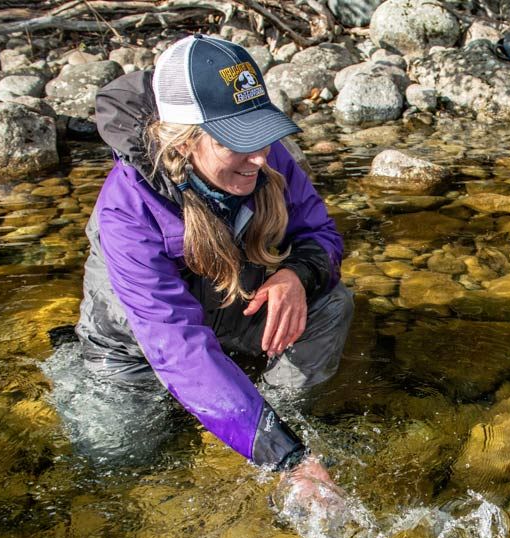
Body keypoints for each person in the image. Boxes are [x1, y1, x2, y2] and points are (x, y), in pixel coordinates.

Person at [70, 33, 351, 503]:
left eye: (263, 133)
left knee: (332, 304)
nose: (262, 157)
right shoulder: (127, 211)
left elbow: (322, 234)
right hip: (134, 348)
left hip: (227, 307)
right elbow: (179, 349)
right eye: (239, 141)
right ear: (183, 141)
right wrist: (288, 458)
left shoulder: (265, 157)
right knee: (118, 461)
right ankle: (254, 430)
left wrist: (296, 275)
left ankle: (264, 417)